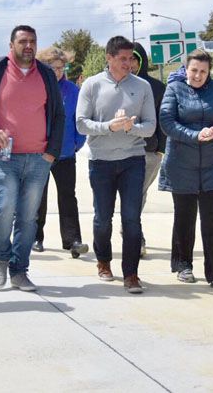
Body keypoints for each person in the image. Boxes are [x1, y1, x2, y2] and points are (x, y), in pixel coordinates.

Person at [0, 25, 65, 292]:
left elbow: (58, 115)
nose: (28, 46)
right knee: (5, 208)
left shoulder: (45, 74)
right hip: (4, 157)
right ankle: (0, 258)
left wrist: (51, 152)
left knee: (28, 217)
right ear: (11, 45)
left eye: (32, 41)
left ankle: (20, 271)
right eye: (23, 41)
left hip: (38, 158)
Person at [76, 36, 155, 294]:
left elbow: (151, 127)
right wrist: (108, 127)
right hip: (101, 163)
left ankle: (131, 274)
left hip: (133, 160)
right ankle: (103, 263)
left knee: (132, 218)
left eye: (131, 58)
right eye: (122, 59)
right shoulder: (91, 85)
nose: (128, 63)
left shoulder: (142, 86)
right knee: (102, 219)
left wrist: (132, 126)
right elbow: (80, 123)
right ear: (108, 58)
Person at [159, 48, 213, 289]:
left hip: (212, 166)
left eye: (203, 71)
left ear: (209, 72)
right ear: (186, 69)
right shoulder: (174, 89)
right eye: (194, 70)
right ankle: (183, 265)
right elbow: (166, 122)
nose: (198, 75)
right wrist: (195, 135)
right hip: (181, 165)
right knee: (185, 218)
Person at [32, 46, 88, 258]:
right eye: (52, 67)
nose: (57, 71)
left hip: (65, 154)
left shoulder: (73, 91)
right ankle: (36, 237)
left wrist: (77, 143)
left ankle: (73, 240)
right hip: (40, 153)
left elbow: (80, 121)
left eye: (60, 67)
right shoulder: (36, 88)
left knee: (68, 197)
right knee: (38, 196)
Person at [131, 42, 166, 258]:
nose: (131, 64)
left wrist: (161, 148)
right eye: (127, 59)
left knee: (138, 195)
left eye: (135, 59)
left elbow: (164, 120)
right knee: (132, 196)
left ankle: (135, 234)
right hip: (122, 151)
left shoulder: (157, 87)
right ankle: (134, 234)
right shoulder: (116, 84)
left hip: (149, 152)